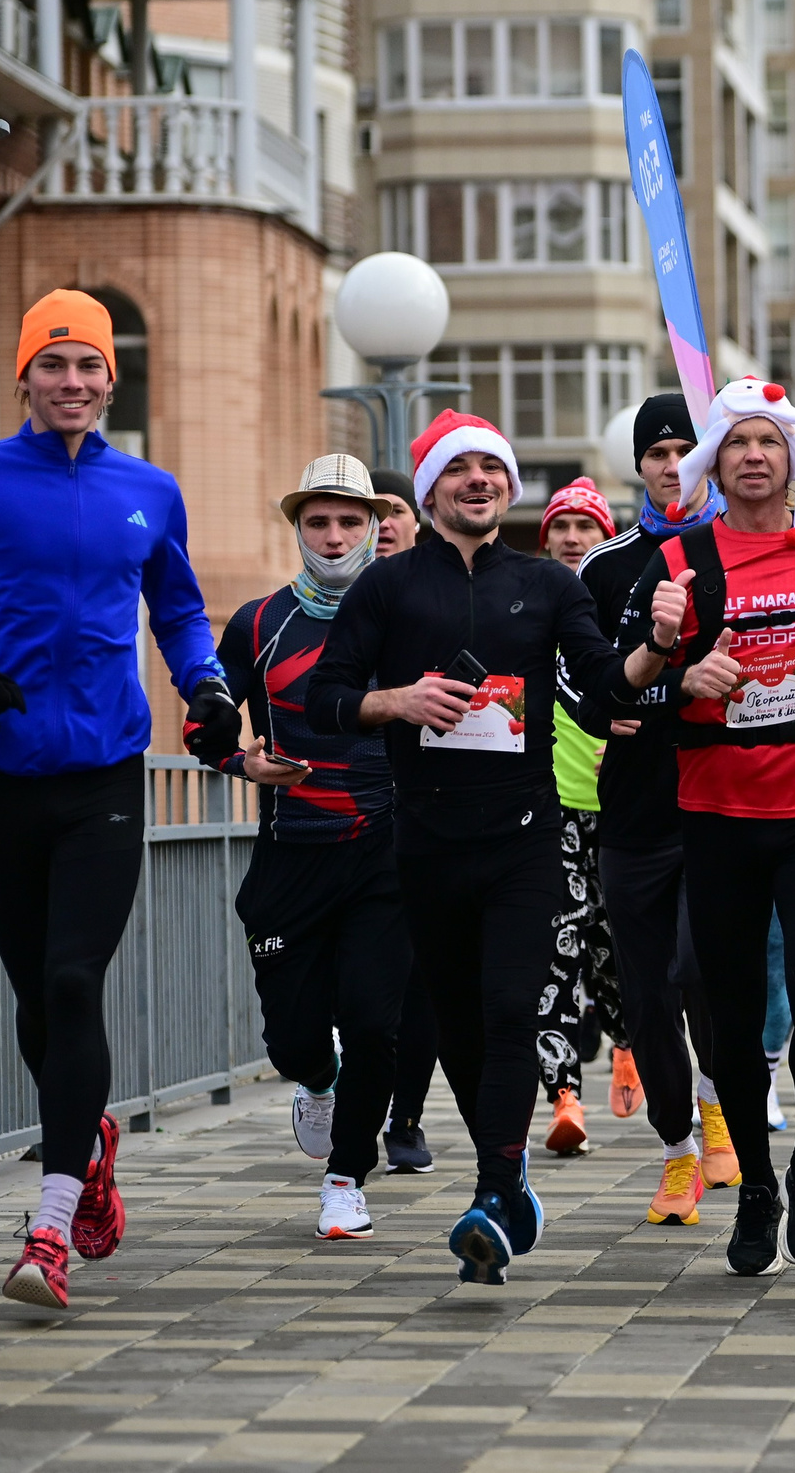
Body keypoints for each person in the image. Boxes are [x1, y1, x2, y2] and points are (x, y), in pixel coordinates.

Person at [0, 288, 239, 1310]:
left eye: (89, 367)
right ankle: (92, 1141)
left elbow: (178, 609)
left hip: (108, 771)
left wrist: (207, 686)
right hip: (3, 772)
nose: (72, 382)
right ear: (24, 376)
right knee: (38, 999)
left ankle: (50, 1220)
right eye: (54, 364)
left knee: (75, 981)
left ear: (110, 381)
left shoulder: (149, 489)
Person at [309, 409, 663, 1287]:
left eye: (492, 467)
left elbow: (601, 686)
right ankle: (507, 1179)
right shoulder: (387, 587)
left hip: (523, 840)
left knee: (511, 1010)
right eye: (460, 468)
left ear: (509, 485)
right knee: (460, 1028)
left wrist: (657, 646)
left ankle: (494, 1196)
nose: (480, 479)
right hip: (426, 842)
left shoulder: (545, 584)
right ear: (431, 490)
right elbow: (327, 698)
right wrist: (397, 701)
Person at [620, 376, 795, 1275]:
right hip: (717, 820)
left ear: (791, 458)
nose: (753, 455)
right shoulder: (679, 562)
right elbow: (622, 691)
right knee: (731, 1020)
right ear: (713, 459)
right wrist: (676, 669)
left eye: (768, 440)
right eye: (737, 441)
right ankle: (755, 1185)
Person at [209, 455, 405, 1240]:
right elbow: (204, 726)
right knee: (293, 1040)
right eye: (318, 521)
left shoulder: (408, 618)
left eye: (350, 521)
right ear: (297, 530)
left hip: (387, 853)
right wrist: (243, 763)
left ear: (373, 529)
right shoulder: (258, 623)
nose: (334, 536)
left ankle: (346, 1179)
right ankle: (318, 1080)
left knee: (373, 1021)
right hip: (291, 852)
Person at [565, 395, 735, 1226]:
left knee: (704, 971)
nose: (673, 466)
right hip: (633, 811)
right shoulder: (604, 568)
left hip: (723, 804)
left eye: (685, 450)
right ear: (637, 465)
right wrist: (660, 692)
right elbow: (587, 693)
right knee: (646, 994)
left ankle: (718, 1103)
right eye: (658, 453)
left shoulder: (743, 551)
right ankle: (676, 1149)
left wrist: (647, 697)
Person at [534, 477, 628, 1157]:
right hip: (549, 808)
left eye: (585, 527)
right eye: (559, 527)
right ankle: (564, 1094)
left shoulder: (622, 611)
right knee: (557, 950)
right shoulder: (526, 611)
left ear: (605, 539)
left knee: (615, 947)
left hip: (624, 806)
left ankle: (628, 1043)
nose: (571, 538)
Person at [367, 469, 441, 1177]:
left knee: (422, 973)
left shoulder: (440, 597)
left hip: (423, 807)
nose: (381, 523)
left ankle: (406, 1115)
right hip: (335, 810)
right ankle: (334, 1080)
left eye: (392, 509)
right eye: (368, 512)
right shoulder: (327, 602)